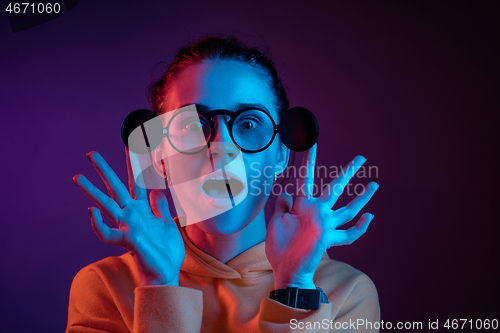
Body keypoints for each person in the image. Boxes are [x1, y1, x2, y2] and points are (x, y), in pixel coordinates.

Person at [67, 36, 380, 333]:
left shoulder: (346, 293)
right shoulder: (105, 285)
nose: (221, 150)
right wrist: (158, 286)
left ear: (282, 153)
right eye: (191, 125)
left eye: (247, 123)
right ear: (160, 157)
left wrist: (295, 290)